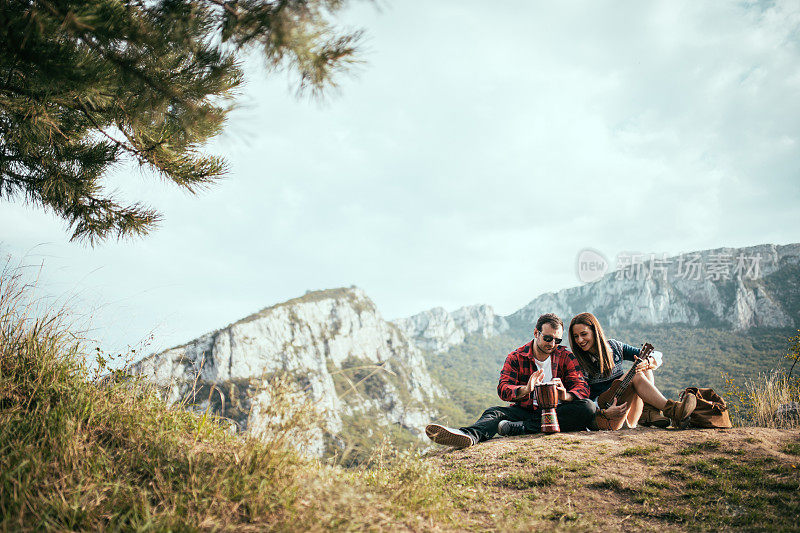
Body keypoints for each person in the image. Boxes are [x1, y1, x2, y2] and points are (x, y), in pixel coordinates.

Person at [425, 313, 596, 448]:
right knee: (494, 412)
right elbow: (503, 389)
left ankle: (521, 428)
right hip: (526, 410)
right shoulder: (516, 357)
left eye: (557, 340)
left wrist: (565, 396)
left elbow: (582, 387)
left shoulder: (565, 356)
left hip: (556, 412)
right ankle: (469, 436)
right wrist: (526, 389)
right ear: (536, 333)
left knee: (587, 407)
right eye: (548, 338)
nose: (552, 344)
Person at [567, 312, 696, 429]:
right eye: (576, 336)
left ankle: (649, 412)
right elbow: (582, 402)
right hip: (604, 414)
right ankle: (673, 410)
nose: (580, 340)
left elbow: (655, 354)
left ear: (595, 332)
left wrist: (648, 362)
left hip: (626, 409)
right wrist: (604, 411)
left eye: (584, 334)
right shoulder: (576, 362)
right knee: (636, 373)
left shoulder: (614, 347)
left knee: (643, 366)